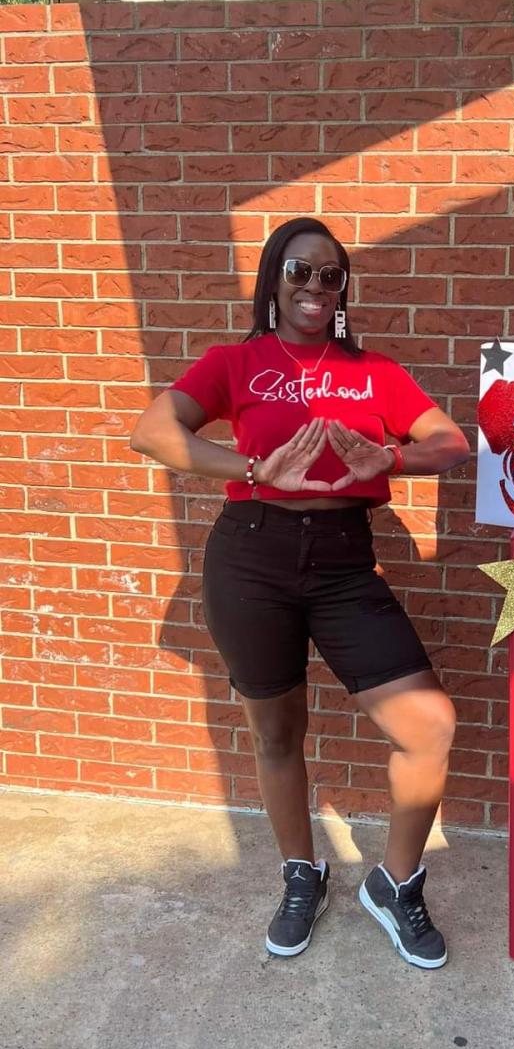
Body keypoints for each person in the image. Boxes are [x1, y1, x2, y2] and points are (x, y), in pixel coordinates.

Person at [130, 217, 470, 969]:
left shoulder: (374, 372)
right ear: (274, 281)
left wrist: (389, 458)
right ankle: (302, 874)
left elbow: (451, 443)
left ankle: (395, 884)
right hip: (252, 559)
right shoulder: (236, 362)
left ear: (342, 289)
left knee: (429, 726)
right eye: (299, 271)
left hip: (346, 564)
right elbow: (152, 431)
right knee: (276, 732)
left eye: (330, 275)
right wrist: (254, 470)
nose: (315, 287)